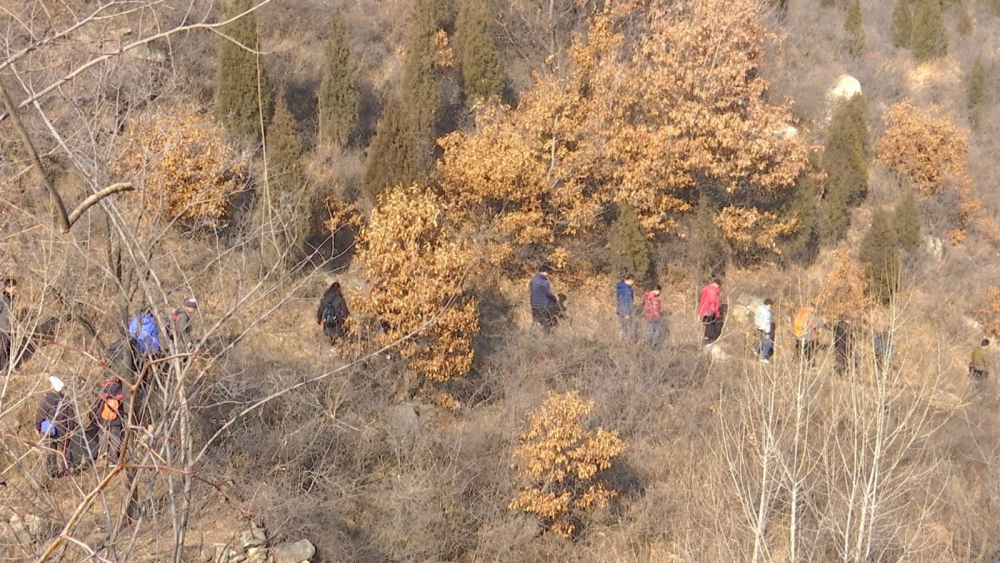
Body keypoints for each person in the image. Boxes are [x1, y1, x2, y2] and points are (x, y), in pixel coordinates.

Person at [35, 376, 79, 477]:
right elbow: (71, 416)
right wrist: (71, 429)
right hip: (63, 430)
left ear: (52, 387)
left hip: (49, 429)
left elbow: (40, 415)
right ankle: (67, 470)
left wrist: (38, 427)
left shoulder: (47, 399)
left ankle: (52, 473)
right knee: (65, 452)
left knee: (51, 452)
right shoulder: (66, 400)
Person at [90, 375, 126, 467]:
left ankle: (102, 459)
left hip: (103, 419)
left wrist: (94, 418)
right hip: (116, 420)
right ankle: (113, 461)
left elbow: (95, 406)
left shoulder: (102, 389)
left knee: (103, 439)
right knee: (115, 439)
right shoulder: (120, 389)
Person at [529, 266, 559, 333]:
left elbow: (531, 289)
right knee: (545, 320)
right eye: (548, 272)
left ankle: (532, 333)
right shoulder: (545, 281)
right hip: (542, 304)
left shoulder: (533, 279)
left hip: (533, 303)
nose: (548, 274)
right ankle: (547, 335)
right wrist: (554, 299)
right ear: (545, 272)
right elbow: (548, 293)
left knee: (535, 320)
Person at [697, 278, 723, 346]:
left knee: (707, 322)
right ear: (717, 285)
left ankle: (706, 337)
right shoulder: (713, 290)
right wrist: (713, 310)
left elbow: (701, 298)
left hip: (704, 308)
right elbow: (712, 300)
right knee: (710, 323)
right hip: (710, 309)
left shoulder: (706, 288)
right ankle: (708, 338)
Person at [0, 278, 16, 372]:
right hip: (2, 328)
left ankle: (7, 367)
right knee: (3, 349)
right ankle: (2, 369)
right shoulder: (2, 298)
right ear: (8, 287)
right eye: (14, 288)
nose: (15, 290)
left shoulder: (11, 298)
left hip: (9, 328)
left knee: (8, 348)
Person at [753, 299, 774, 363]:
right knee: (767, 343)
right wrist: (767, 330)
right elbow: (766, 321)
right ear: (769, 304)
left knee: (762, 341)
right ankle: (764, 357)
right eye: (771, 305)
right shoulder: (766, 312)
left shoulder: (759, 309)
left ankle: (756, 349)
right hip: (764, 329)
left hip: (758, 327)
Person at [616, 277, 636, 342]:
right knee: (625, 327)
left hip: (621, 310)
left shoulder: (622, 288)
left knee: (623, 326)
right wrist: (626, 313)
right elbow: (625, 302)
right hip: (625, 311)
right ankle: (624, 342)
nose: (633, 283)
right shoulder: (626, 290)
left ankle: (622, 341)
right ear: (630, 280)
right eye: (633, 281)